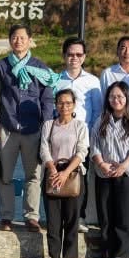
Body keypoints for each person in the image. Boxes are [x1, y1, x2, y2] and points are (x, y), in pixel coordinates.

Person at [0, 24, 56, 232]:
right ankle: (6, 216)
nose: (18, 41)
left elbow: (47, 99)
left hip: (33, 128)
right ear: (9, 40)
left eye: (22, 37)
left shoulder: (40, 67)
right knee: (5, 176)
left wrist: (46, 127)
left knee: (33, 175)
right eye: (14, 37)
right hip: (7, 127)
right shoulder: (1, 66)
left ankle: (31, 216)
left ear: (30, 40)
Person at [90, 81, 129, 258]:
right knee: (106, 213)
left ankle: (124, 253)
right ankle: (109, 251)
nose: (116, 100)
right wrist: (101, 163)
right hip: (105, 171)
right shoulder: (102, 119)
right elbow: (94, 144)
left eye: (120, 96)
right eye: (112, 96)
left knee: (127, 213)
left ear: (127, 98)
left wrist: (123, 166)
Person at [51, 37, 102, 233]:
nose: (74, 58)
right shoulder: (56, 80)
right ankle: (59, 217)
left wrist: (91, 137)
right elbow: (50, 110)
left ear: (84, 57)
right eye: (70, 54)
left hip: (83, 138)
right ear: (64, 56)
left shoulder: (93, 82)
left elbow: (97, 112)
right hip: (59, 137)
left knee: (80, 178)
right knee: (58, 175)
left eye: (79, 54)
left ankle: (79, 217)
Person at [39, 89, 89, 258]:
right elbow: (44, 148)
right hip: (52, 172)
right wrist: (53, 169)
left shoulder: (80, 126)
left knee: (71, 218)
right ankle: (53, 255)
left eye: (68, 103)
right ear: (56, 104)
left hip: (73, 173)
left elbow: (82, 152)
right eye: (60, 102)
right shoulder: (49, 125)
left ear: (74, 105)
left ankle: (67, 256)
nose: (64, 106)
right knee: (53, 218)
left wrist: (65, 172)